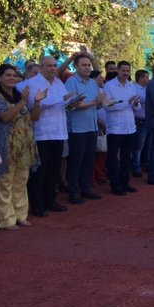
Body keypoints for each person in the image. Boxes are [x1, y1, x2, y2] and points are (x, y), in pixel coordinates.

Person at [0, 64, 42, 230]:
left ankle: (21, 215)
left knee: (21, 181)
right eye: (8, 75)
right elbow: (5, 117)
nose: (12, 78)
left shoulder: (18, 95)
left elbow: (33, 118)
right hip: (6, 145)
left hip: (24, 145)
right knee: (5, 182)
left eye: (14, 75)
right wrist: (23, 101)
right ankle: (6, 220)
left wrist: (37, 103)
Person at [18, 56, 70, 217]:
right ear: (41, 67)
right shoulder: (31, 83)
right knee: (40, 171)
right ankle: (37, 204)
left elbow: (64, 100)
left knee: (54, 170)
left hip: (58, 131)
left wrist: (71, 101)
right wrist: (43, 101)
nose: (53, 68)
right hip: (41, 132)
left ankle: (51, 200)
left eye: (55, 66)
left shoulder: (59, 82)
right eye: (49, 66)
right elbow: (31, 105)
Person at [65, 52, 102, 204]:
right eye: (83, 65)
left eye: (88, 65)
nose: (87, 68)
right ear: (76, 67)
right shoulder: (71, 82)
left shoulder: (93, 83)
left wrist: (99, 103)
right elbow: (73, 105)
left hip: (91, 126)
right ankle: (73, 192)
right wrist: (94, 102)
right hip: (77, 128)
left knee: (88, 159)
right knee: (76, 161)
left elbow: (97, 102)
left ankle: (86, 188)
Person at [103, 61, 140, 196]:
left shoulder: (132, 86)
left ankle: (125, 182)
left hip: (130, 127)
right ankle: (115, 185)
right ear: (117, 71)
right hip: (115, 128)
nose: (126, 73)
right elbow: (108, 106)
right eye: (123, 70)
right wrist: (127, 103)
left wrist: (135, 104)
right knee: (113, 158)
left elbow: (137, 107)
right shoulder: (109, 86)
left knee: (127, 157)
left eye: (127, 71)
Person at [131, 69, 149, 177]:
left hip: (147, 119)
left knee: (146, 144)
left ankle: (144, 164)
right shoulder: (134, 88)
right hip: (138, 119)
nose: (148, 79)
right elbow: (141, 99)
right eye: (146, 77)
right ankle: (136, 167)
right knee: (138, 146)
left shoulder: (147, 88)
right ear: (140, 78)